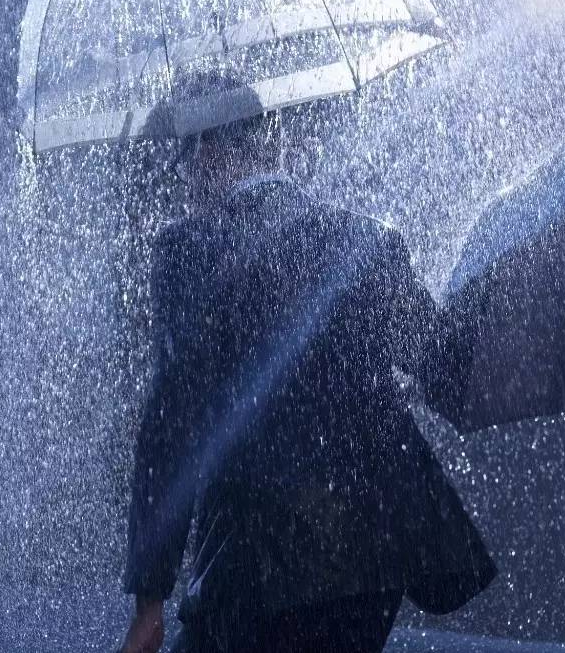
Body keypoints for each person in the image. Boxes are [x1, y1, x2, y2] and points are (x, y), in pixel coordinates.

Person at [117, 73, 495, 653]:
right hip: (370, 558)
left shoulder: (189, 250)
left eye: (182, 162)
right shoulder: (361, 240)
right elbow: (444, 367)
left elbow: (171, 424)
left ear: (209, 151)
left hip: (254, 561)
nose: (182, 181)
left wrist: (150, 599)